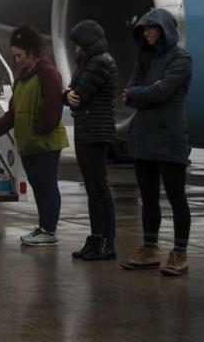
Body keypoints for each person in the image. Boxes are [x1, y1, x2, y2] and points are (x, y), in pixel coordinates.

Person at [119, 8, 192, 276]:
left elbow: (161, 92)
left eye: (152, 28)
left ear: (165, 30)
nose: (147, 33)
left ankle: (180, 253)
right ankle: (149, 249)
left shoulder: (182, 59)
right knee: (148, 198)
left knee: (176, 198)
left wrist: (139, 93)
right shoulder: (144, 60)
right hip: (144, 138)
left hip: (170, 138)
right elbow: (131, 92)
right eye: (144, 29)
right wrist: (141, 93)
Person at [0, 25, 68, 247]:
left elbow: (53, 109)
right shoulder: (22, 79)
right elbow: (13, 114)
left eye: (19, 55)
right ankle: (44, 226)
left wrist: (39, 128)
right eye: (15, 56)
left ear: (32, 51)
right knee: (39, 186)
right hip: (29, 143)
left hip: (45, 143)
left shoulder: (48, 73)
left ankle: (49, 229)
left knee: (47, 185)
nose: (17, 60)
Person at [61, 20, 118, 261]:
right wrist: (69, 95)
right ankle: (96, 239)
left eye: (78, 44)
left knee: (99, 188)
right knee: (93, 189)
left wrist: (70, 95)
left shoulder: (99, 63)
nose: (75, 49)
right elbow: (70, 94)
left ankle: (105, 241)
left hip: (96, 131)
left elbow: (79, 96)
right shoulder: (89, 63)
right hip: (88, 130)